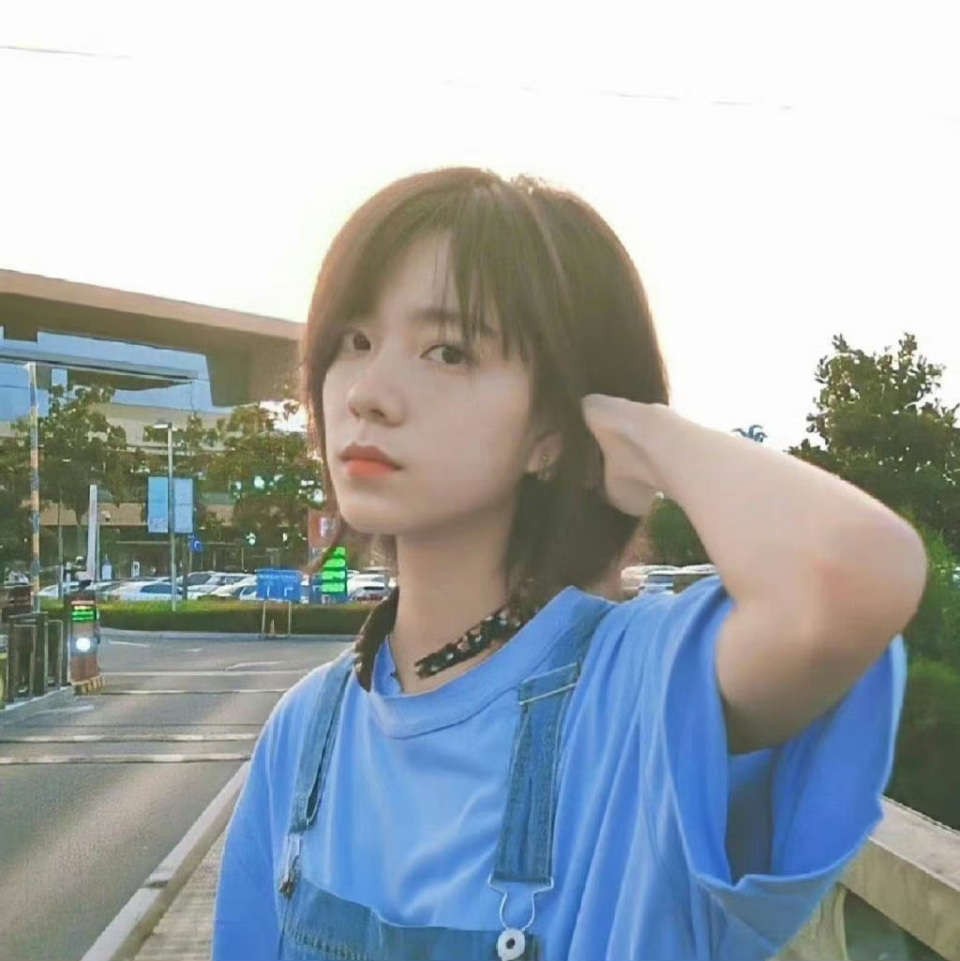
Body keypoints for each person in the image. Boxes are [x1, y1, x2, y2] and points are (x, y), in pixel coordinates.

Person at [212, 168, 926, 961]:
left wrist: (639, 432)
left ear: (551, 428)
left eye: (447, 351)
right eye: (355, 341)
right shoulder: (306, 734)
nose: (368, 393)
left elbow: (855, 574)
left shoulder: (639, 694)